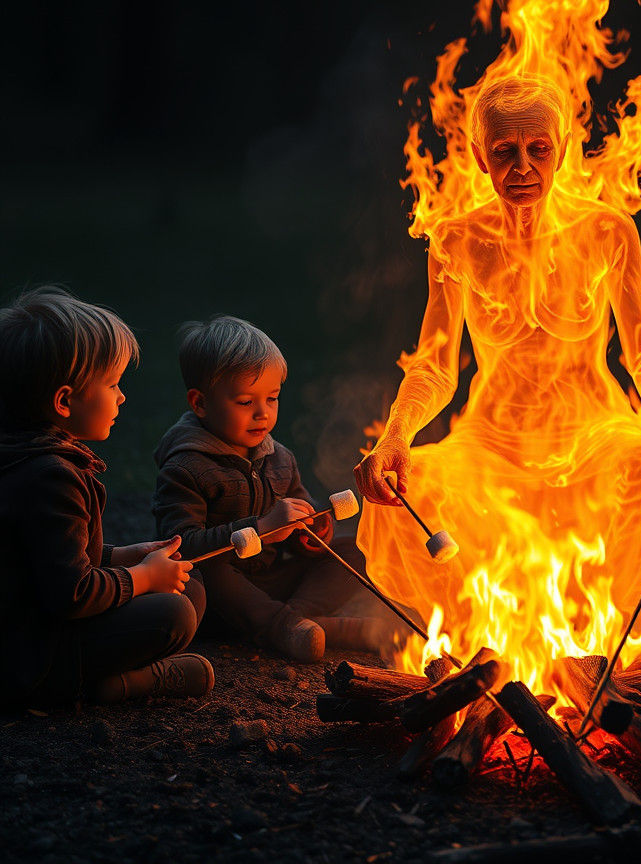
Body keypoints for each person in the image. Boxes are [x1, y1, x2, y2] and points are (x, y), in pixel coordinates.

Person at [354, 75, 641, 645]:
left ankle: (599, 649)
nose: (522, 167)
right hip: (491, 445)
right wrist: (395, 432)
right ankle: (486, 650)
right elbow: (435, 365)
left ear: (562, 149)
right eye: (504, 152)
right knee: (406, 488)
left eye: (538, 150)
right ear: (479, 155)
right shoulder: (456, 239)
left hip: (594, 437)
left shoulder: (606, 230)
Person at [0, 286, 212, 708]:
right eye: (112, 384)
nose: (122, 396)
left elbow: (52, 556)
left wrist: (129, 554)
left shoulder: (30, 458)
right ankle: (111, 684)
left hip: (35, 629)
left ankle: (111, 677)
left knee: (191, 587)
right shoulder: (50, 477)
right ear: (64, 401)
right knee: (174, 613)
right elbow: (72, 592)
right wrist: (145, 577)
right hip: (28, 660)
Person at [153, 315, 391, 664]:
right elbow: (180, 548)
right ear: (200, 403)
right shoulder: (185, 467)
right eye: (246, 402)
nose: (262, 414)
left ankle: (295, 621)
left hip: (270, 583)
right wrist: (261, 529)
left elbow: (298, 513)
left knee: (358, 548)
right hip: (219, 597)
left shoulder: (279, 457)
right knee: (208, 570)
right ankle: (288, 626)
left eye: (273, 398)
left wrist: (312, 530)